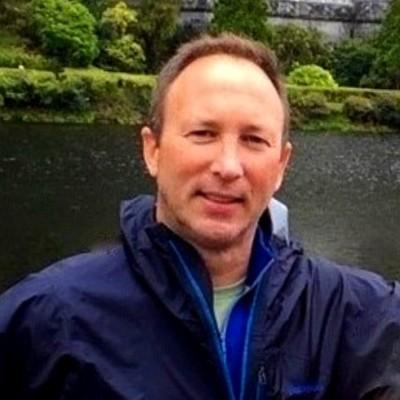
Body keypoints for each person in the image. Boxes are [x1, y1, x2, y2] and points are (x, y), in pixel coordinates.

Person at [0, 33, 399, 400]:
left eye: (254, 139)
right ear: (152, 150)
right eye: (203, 134)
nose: (228, 166)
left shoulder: (361, 317)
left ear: (281, 165)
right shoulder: (46, 320)